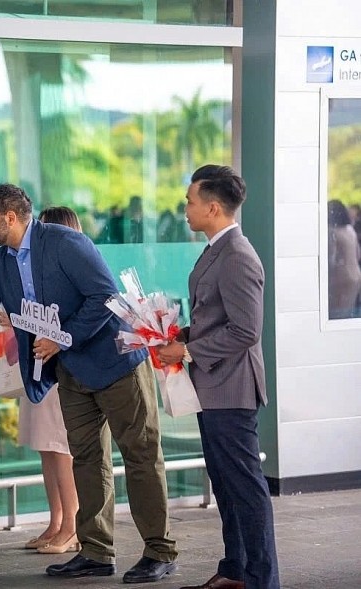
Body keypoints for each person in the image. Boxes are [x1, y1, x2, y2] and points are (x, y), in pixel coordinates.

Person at [0, 183, 178, 583]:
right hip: (72, 371)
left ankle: (159, 551)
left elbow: (104, 296)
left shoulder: (65, 243)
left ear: (11, 218)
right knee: (86, 459)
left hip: (115, 364)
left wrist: (63, 337)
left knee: (140, 456)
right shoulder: (2, 262)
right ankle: (97, 552)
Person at [158, 165, 280, 589]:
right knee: (226, 487)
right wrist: (182, 335)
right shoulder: (215, 250)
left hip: (231, 388)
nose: (185, 208)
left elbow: (246, 330)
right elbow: (217, 317)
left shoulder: (237, 256)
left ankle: (262, 580)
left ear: (212, 207)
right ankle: (236, 571)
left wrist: (187, 349)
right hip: (211, 386)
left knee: (245, 490)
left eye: (190, 201)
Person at [19, 206, 81, 555]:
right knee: (47, 448)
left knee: (61, 450)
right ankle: (57, 521)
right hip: (40, 370)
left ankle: (72, 527)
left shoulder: (72, 273)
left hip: (61, 374)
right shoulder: (37, 272)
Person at [326, 199, 361, 319]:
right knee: (348, 313)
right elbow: (358, 254)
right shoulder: (350, 230)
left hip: (341, 277)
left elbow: (331, 258)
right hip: (356, 275)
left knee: (337, 315)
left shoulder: (333, 231)